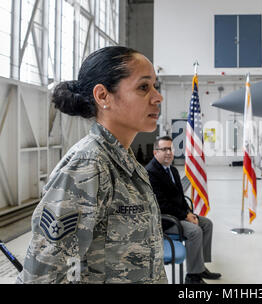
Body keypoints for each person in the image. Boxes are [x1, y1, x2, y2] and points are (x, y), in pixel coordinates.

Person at [16, 46, 167, 284]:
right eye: (143, 87)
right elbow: (42, 276)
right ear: (103, 96)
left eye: (155, 87)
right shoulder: (88, 166)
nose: (157, 97)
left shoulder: (126, 163)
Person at [145, 136, 221, 284]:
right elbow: (162, 205)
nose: (168, 152)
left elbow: (180, 196)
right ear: (155, 152)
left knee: (207, 224)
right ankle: (192, 277)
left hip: (179, 214)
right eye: (164, 149)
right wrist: (185, 216)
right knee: (195, 231)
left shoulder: (171, 169)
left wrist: (189, 213)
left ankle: (199, 266)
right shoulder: (151, 173)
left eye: (171, 149)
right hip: (164, 219)